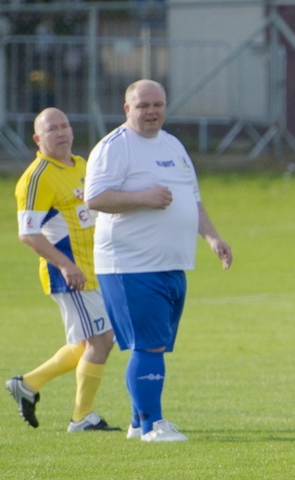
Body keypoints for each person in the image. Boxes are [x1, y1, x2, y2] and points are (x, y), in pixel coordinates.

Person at [84, 79, 233, 443]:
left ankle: (139, 421)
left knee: (156, 344)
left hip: (171, 263)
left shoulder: (173, 145)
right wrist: (143, 197)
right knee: (148, 345)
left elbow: (191, 199)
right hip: (129, 263)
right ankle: (154, 425)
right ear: (127, 109)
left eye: (158, 105)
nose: (151, 111)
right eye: (143, 105)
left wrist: (212, 237)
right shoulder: (114, 148)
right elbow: (95, 198)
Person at [7, 107, 119, 433]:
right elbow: (28, 233)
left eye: (64, 126)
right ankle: (82, 417)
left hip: (98, 269)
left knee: (90, 343)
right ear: (37, 139)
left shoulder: (84, 165)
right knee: (102, 340)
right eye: (52, 129)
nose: (61, 133)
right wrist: (66, 265)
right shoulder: (36, 177)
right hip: (70, 274)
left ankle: (27, 384)